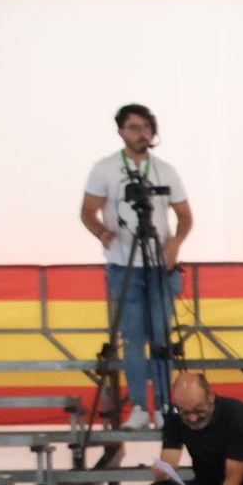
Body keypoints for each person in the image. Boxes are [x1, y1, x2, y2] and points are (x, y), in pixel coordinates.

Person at [80, 103, 193, 429]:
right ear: (120, 131)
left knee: (160, 336)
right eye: (133, 127)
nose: (141, 133)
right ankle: (140, 407)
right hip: (123, 264)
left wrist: (174, 243)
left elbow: (185, 215)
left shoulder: (165, 170)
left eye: (145, 127)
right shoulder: (105, 168)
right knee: (132, 338)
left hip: (159, 265)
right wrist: (101, 231)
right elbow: (87, 210)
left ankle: (164, 405)